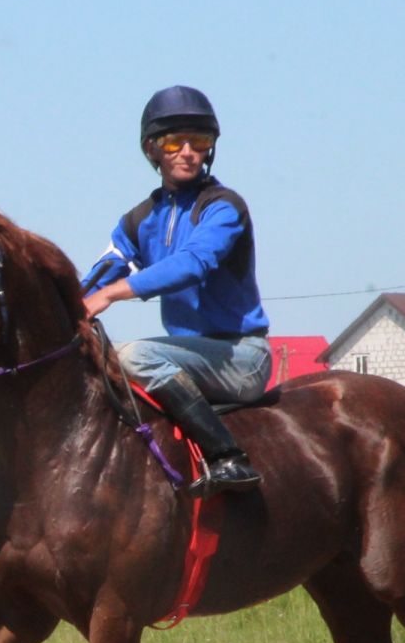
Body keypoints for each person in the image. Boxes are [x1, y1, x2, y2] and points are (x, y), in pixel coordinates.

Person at [80, 85, 271, 496]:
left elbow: (193, 263)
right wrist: (70, 306)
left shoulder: (223, 207)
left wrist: (113, 295)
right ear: (152, 149)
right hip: (187, 357)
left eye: (199, 142)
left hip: (240, 357)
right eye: (173, 141)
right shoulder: (139, 220)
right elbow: (105, 268)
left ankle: (228, 458)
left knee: (132, 354)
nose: (187, 151)